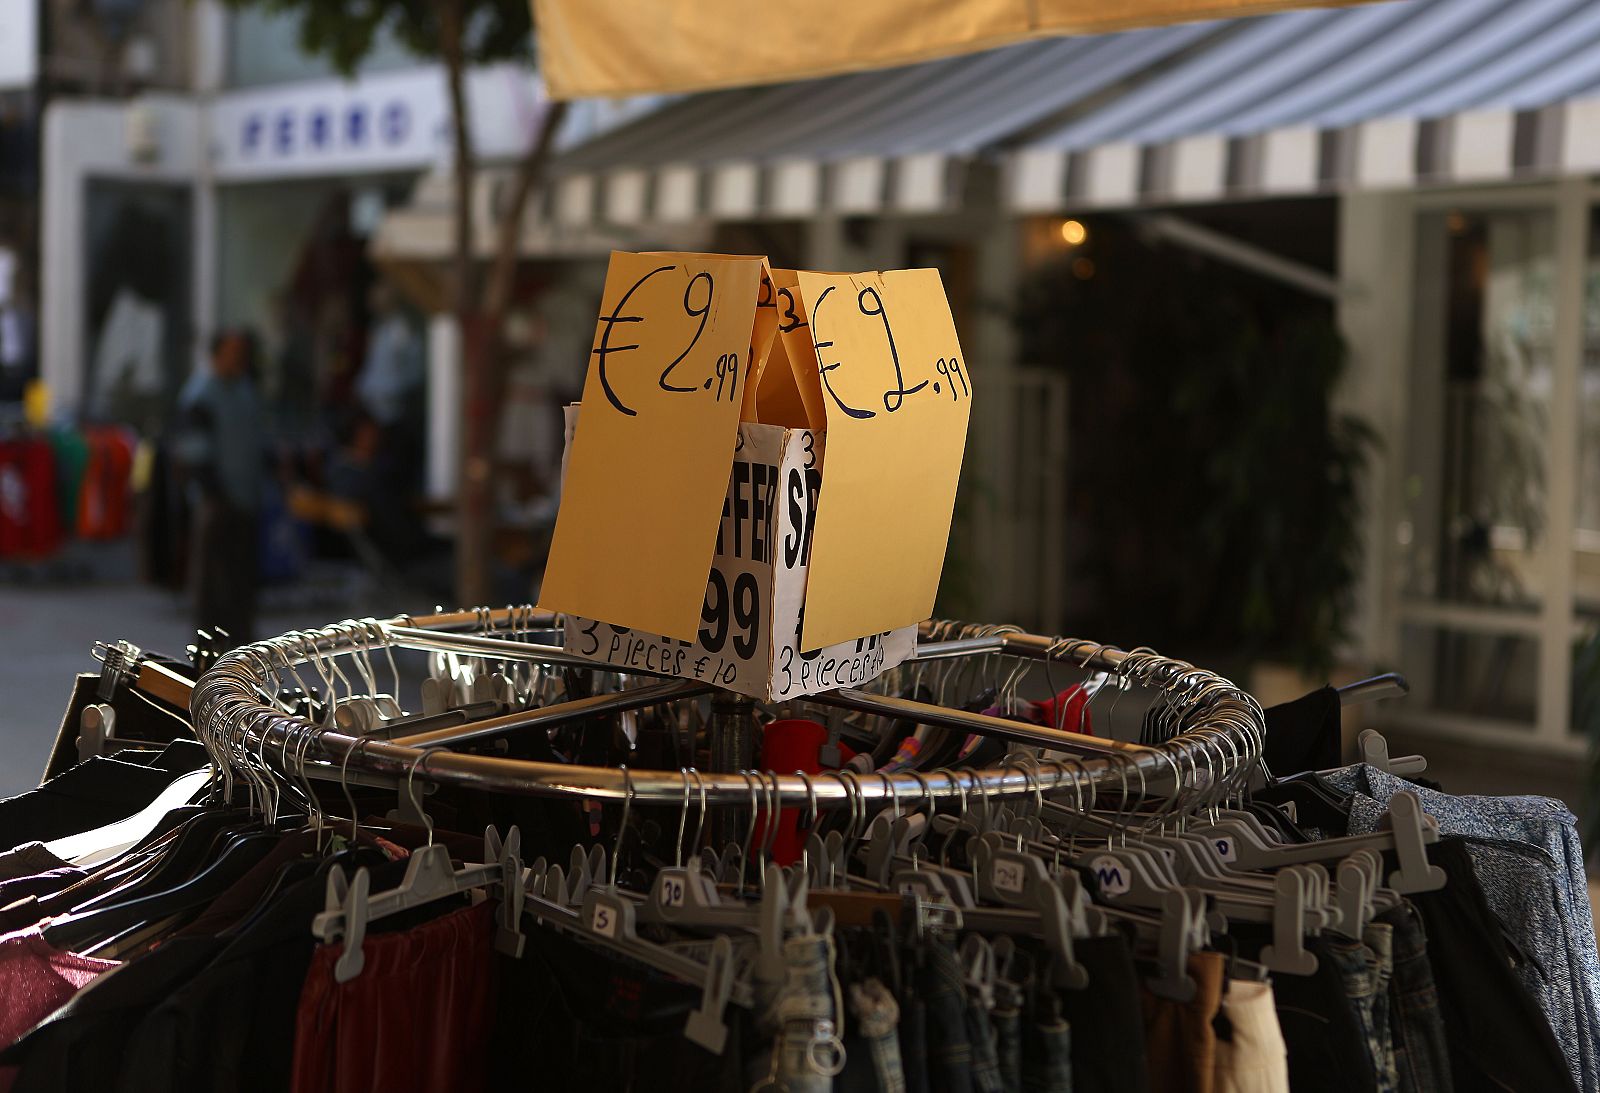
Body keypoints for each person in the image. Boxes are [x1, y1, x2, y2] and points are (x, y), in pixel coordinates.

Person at [175, 329, 266, 646]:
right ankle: (209, 652)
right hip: (217, 503)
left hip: (246, 499)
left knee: (242, 584)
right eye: (233, 352)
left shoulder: (244, 390)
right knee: (213, 585)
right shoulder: (201, 396)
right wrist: (216, 496)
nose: (239, 359)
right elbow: (193, 453)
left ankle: (242, 648)